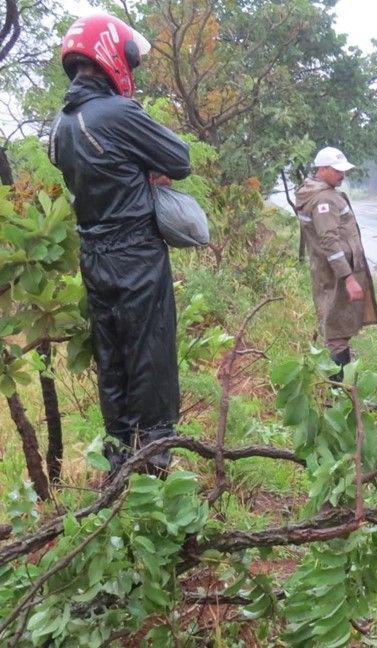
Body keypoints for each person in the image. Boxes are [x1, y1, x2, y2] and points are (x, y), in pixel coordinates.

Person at [49, 13, 192, 476]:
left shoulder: (61, 125)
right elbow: (180, 159)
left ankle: (117, 466)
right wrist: (147, 170)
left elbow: (94, 176)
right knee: (151, 356)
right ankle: (154, 473)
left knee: (114, 363)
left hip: (95, 256)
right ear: (111, 55)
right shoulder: (118, 113)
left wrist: (134, 170)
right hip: (136, 255)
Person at [295, 146, 377, 376]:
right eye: (337, 171)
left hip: (331, 272)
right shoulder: (324, 199)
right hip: (335, 275)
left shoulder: (318, 192)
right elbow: (329, 241)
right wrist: (348, 278)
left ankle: (346, 391)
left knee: (339, 329)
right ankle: (340, 397)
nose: (343, 175)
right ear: (322, 169)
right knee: (336, 333)